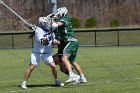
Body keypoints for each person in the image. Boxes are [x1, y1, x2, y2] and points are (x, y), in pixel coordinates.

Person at [21, 17, 64, 89]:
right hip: (37, 52)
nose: (48, 24)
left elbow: (53, 42)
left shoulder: (50, 30)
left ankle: (56, 81)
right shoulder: (38, 30)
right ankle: (24, 83)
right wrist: (47, 39)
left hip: (47, 52)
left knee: (53, 66)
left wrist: (55, 42)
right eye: (46, 23)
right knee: (32, 67)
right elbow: (42, 41)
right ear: (42, 24)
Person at [51, 7, 87, 83]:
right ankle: (82, 77)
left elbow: (54, 26)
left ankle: (71, 75)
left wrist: (52, 19)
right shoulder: (62, 21)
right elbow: (54, 28)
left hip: (71, 41)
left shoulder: (65, 19)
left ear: (63, 13)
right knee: (72, 61)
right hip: (73, 42)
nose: (58, 16)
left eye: (59, 14)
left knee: (64, 58)